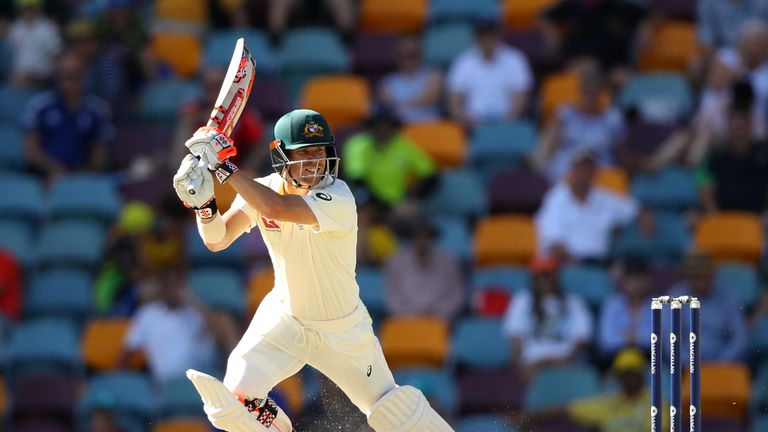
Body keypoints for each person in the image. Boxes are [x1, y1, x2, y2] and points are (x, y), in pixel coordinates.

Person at [172, 109, 453, 431]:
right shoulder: (263, 188)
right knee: (233, 403)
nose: (313, 162)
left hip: (343, 330)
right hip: (285, 321)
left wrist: (222, 166)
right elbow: (218, 240)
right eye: (303, 153)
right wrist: (203, 206)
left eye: (318, 152)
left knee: (393, 411)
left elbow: (276, 209)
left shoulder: (339, 197)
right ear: (281, 154)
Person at [535, 148, 639, 265]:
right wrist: (575, 264)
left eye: (588, 168)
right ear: (572, 170)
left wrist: (643, 213)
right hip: (565, 264)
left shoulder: (605, 198)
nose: (584, 172)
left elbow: (634, 208)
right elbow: (553, 243)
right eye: (581, 168)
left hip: (599, 264)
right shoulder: (556, 198)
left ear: (595, 171)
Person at [21, 51, 114, 181]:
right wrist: (54, 169)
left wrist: (80, 176)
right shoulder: (39, 106)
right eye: (62, 75)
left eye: (74, 74)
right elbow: (31, 151)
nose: (69, 81)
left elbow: (99, 154)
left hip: (83, 177)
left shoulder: (97, 110)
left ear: (83, 76)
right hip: (43, 176)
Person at [120, 266, 219, 384]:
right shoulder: (148, 314)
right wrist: (116, 379)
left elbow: (218, 333)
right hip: (166, 382)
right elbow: (128, 350)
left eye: (177, 284)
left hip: (199, 376)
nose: (173, 290)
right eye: (168, 285)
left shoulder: (194, 311)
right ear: (162, 289)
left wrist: (192, 300)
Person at [532, 63, 626, 182]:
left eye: (594, 92)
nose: (590, 96)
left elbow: (621, 153)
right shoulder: (565, 112)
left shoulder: (613, 118)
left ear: (600, 93)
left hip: (600, 166)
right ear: (580, 92)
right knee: (553, 167)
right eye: (586, 91)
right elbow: (551, 143)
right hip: (568, 165)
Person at [502, 256, 593, 377]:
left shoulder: (574, 302)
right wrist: (521, 365)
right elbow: (516, 338)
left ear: (556, 277)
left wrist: (566, 361)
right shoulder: (522, 300)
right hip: (532, 362)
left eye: (548, 275)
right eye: (539, 276)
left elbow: (581, 339)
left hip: (565, 362)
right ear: (533, 279)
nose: (544, 280)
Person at [343, 107, 437, 211]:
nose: (383, 130)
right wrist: (384, 206)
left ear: (393, 128)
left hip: (397, 203)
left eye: (387, 126)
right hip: (366, 203)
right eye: (378, 126)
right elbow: (357, 181)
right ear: (371, 127)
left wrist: (416, 197)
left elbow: (430, 174)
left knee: (411, 214)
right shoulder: (357, 145)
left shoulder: (404, 145)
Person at [446, 18, 533, 127]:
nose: (487, 40)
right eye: (483, 36)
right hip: (471, 125)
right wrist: (465, 119)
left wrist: (507, 120)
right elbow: (454, 101)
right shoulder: (462, 62)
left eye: (490, 35)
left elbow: (521, 96)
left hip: (508, 122)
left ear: (498, 36)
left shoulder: (515, 59)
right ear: (475, 38)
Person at [667, 253, 748, 362]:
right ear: (687, 277)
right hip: (684, 364)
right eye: (695, 277)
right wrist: (688, 360)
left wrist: (722, 360)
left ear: (712, 275)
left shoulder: (728, 296)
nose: (700, 283)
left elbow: (740, 337)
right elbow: (668, 339)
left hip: (723, 363)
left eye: (704, 276)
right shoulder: (675, 296)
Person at [566, 348, 668, 432]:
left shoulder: (657, 402)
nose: (628, 378)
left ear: (641, 374)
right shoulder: (609, 402)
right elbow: (570, 409)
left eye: (632, 372)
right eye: (624, 373)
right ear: (617, 376)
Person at [383, 219, 465, 321]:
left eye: (425, 236)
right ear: (411, 238)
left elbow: (457, 295)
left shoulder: (449, 261)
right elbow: (392, 298)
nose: (422, 241)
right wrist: (409, 315)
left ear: (432, 237)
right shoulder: (396, 263)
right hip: (406, 322)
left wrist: (440, 315)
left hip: (442, 321)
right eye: (417, 237)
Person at [696, 103, 768, 213]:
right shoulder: (717, 155)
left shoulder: (763, 152)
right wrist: (714, 215)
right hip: (723, 217)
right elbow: (705, 185)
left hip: (757, 219)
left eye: (741, 128)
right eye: (734, 129)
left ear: (749, 128)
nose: (738, 134)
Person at [598, 259, 654, 359]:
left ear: (648, 281)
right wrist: (637, 338)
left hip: (648, 358)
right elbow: (606, 340)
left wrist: (627, 337)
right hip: (615, 357)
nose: (636, 284)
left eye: (640, 279)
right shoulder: (612, 304)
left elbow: (660, 341)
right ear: (624, 281)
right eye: (632, 279)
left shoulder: (658, 305)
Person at [379, 35, 442, 123]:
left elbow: (428, 99)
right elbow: (386, 103)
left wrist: (399, 104)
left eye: (412, 55)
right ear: (398, 55)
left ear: (420, 53)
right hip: (399, 127)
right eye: (406, 55)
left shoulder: (433, 75)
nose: (409, 60)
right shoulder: (388, 81)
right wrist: (413, 103)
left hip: (428, 127)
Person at [7, 0, 63, 88]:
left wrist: (38, 77)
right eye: (25, 8)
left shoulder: (49, 28)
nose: (29, 11)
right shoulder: (15, 28)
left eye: (32, 7)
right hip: (16, 83)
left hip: (41, 83)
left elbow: (58, 58)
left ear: (39, 8)